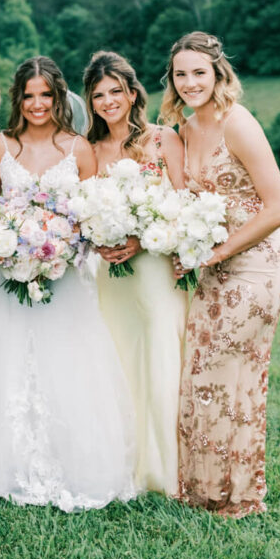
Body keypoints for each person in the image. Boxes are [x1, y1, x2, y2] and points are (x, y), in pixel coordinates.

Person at [0, 56, 136, 511]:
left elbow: (92, 216)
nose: (37, 104)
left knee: (68, 364)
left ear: (58, 97)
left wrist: (61, 244)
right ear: (18, 99)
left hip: (65, 277)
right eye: (28, 95)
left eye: (46, 94)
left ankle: (75, 462)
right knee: (9, 364)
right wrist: (8, 244)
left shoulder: (79, 148)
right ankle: (10, 464)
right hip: (8, 278)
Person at [161, 31, 280, 518]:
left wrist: (216, 254)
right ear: (172, 81)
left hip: (255, 265)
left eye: (200, 72)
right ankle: (203, 489)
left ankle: (236, 495)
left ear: (218, 73)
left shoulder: (239, 123)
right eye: (182, 74)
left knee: (229, 371)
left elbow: (279, 207)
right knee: (201, 370)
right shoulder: (186, 128)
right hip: (213, 264)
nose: (191, 82)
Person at [83, 51, 187, 496]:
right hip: (112, 276)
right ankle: (127, 464)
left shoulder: (164, 140)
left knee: (161, 362)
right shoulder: (89, 149)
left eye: (114, 92)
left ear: (131, 92)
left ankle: (166, 472)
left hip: (155, 271)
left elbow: (182, 204)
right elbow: (83, 212)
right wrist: (101, 239)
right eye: (98, 95)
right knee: (120, 362)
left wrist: (141, 241)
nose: (107, 102)